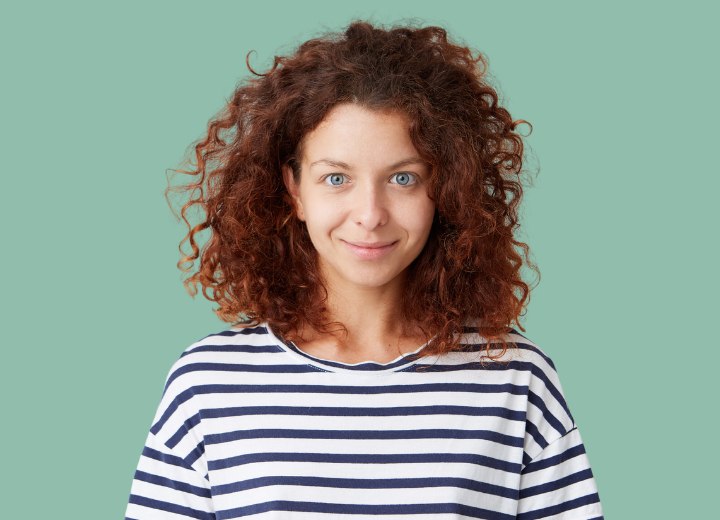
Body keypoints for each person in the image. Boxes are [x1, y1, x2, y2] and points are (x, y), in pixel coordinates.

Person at [124, 21, 604, 520]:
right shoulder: (207, 383)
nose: (370, 214)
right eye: (336, 178)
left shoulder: (516, 380)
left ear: (445, 188)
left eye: (403, 178)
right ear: (294, 189)